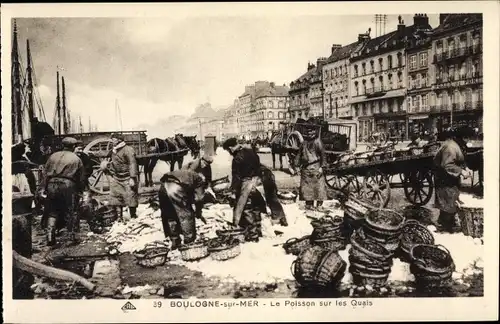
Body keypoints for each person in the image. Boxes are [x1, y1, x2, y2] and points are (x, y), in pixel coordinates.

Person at [40, 137, 86, 246]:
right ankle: (71, 237)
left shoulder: (53, 156)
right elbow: (81, 178)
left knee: (52, 211)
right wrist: (81, 191)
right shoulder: (76, 159)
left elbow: (45, 174)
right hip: (68, 185)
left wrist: (44, 188)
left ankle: (50, 237)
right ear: (73, 146)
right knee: (71, 210)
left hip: (52, 184)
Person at [433, 126, 474, 233]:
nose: (469, 140)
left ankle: (446, 223)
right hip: (443, 177)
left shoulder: (458, 145)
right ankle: (444, 226)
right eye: (468, 138)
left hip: (450, 177)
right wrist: (461, 172)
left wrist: (466, 168)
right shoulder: (450, 147)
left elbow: (460, 160)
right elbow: (448, 165)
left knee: (452, 198)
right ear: (463, 137)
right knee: (447, 199)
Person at [222, 137, 264, 242]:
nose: (229, 152)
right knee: (256, 206)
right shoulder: (251, 152)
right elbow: (259, 167)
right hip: (257, 181)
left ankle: (253, 235)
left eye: (228, 150)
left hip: (246, 183)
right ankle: (259, 230)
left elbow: (236, 177)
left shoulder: (237, 158)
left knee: (247, 208)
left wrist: (233, 191)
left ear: (231, 148)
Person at [158, 169, 207, 249]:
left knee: (170, 215)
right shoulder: (199, 180)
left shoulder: (188, 174)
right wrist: (198, 211)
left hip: (163, 187)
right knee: (186, 214)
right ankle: (189, 242)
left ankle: (175, 240)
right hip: (174, 188)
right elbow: (199, 198)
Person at [102, 133, 139, 221]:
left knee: (131, 197)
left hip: (127, 178)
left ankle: (133, 216)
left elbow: (132, 164)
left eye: (114, 139)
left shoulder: (128, 150)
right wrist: (92, 154)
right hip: (117, 177)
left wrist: (132, 178)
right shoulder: (114, 150)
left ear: (119, 140)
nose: (112, 141)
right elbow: (105, 154)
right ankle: (119, 217)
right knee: (116, 197)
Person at [294, 124, 328, 211]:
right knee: (307, 189)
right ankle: (309, 204)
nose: (310, 134)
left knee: (319, 187)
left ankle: (319, 205)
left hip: (316, 167)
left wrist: (322, 167)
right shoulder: (303, 143)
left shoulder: (318, 142)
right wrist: (296, 166)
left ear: (314, 133)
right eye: (308, 133)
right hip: (306, 169)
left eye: (311, 132)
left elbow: (323, 156)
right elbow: (299, 155)